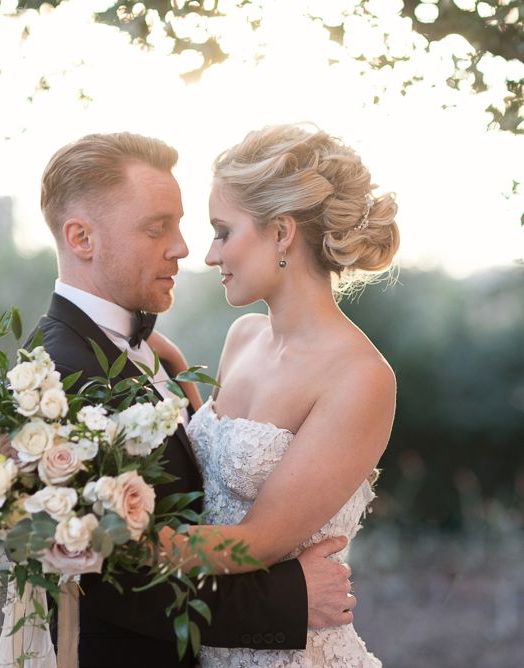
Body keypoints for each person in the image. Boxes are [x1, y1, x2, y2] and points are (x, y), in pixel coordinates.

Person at [22, 132, 355, 668]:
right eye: (157, 228)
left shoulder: (153, 351)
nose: (183, 247)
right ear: (81, 237)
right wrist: (288, 599)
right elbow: (104, 580)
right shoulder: (55, 373)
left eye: (184, 225)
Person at [153, 124, 399, 666]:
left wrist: (109, 548)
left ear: (282, 232)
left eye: (223, 231)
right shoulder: (241, 337)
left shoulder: (359, 377)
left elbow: (258, 540)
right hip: (208, 642)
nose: (211, 254)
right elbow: (215, 463)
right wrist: (164, 361)